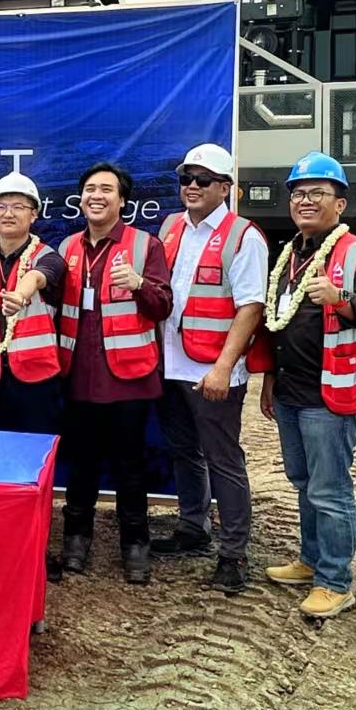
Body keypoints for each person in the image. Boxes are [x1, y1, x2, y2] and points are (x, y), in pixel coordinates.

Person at [260, 152, 356, 620]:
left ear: (339, 204)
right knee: (303, 482)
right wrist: (270, 379)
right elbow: (278, 322)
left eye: (317, 193)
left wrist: (339, 298)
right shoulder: (291, 253)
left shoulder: (355, 253)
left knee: (330, 490)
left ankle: (336, 582)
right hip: (291, 391)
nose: (305, 201)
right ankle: (311, 561)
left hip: (330, 395)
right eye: (298, 194)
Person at [153, 144, 270, 594]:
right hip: (170, 365)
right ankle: (192, 527)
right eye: (187, 178)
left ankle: (234, 553)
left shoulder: (244, 237)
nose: (193, 186)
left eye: (203, 180)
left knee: (224, 460)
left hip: (212, 371)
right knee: (184, 451)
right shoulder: (171, 227)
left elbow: (250, 308)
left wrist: (223, 368)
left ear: (225, 187)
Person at [56, 161, 173, 585]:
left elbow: (163, 307)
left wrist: (140, 283)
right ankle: (76, 540)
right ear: (80, 199)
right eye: (90, 189)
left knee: (130, 465)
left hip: (129, 378)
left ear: (122, 200)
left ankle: (135, 545)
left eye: (106, 189)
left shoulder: (145, 245)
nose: (96, 196)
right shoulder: (67, 247)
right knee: (81, 463)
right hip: (79, 376)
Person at [0, 172, 66, 435]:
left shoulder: (48, 256)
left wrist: (20, 296)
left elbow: (39, 275)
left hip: (36, 380)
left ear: (34, 214)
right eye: (1, 207)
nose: (8, 213)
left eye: (18, 207)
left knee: (37, 451)